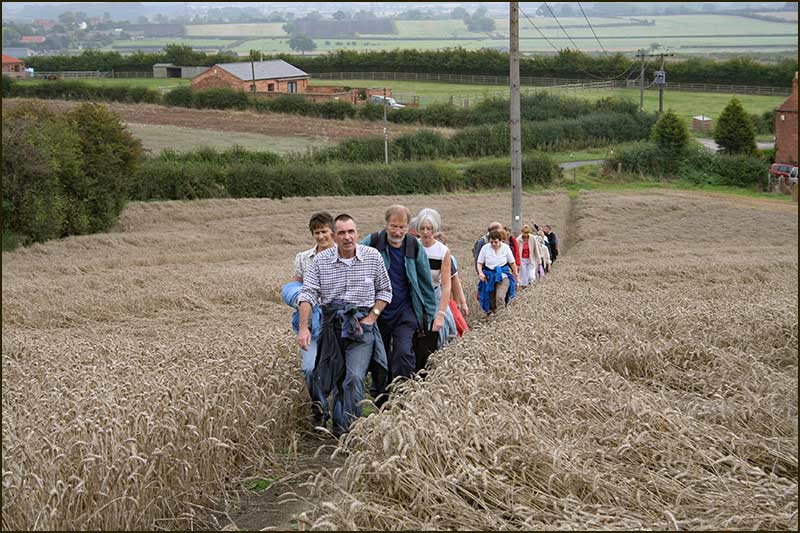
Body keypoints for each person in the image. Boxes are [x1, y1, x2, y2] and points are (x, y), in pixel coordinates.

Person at [297, 214, 392, 438]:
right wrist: (303, 328)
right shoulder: (321, 261)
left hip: (362, 326)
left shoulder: (372, 256)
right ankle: (337, 426)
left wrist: (371, 318)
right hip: (332, 325)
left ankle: (351, 431)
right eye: (341, 233)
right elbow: (308, 294)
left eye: (351, 232)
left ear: (357, 233)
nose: (347, 237)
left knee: (355, 377)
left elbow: (385, 291)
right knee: (334, 377)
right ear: (334, 236)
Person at [362, 205, 440, 396]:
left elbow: (425, 283)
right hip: (377, 311)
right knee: (380, 356)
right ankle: (381, 395)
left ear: (408, 227)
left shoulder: (414, 246)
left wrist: (429, 315)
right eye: (393, 226)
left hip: (405, 310)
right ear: (386, 224)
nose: (397, 232)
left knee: (403, 352)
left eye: (402, 227)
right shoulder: (372, 243)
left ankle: (402, 395)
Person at [284, 212, 335, 429]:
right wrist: (297, 297)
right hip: (310, 321)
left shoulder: (342, 254)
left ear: (332, 231)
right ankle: (320, 408)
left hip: (334, 318)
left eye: (324, 231)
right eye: (317, 232)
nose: (321, 236)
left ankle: (337, 410)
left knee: (333, 367)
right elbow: (297, 285)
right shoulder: (303, 258)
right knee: (309, 368)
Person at [410, 208, 457, 350]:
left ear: (434, 229)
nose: (425, 232)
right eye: (422, 228)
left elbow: (446, 285)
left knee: (439, 333)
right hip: (415, 296)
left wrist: (441, 314)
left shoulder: (442, 251)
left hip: (434, 296)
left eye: (429, 228)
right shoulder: (412, 247)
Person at [435, 231, 470, 336]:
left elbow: (455, 282)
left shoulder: (449, 260)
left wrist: (461, 303)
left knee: (455, 326)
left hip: (448, 301)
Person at [476, 230, 519, 314]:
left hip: (503, 274)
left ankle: (502, 315)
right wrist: (480, 273)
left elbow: (512, 263)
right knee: (490, 298)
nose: (493, 244)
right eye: (491, 242)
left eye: (495, 242)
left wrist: (516, 275)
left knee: (500, 296)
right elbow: (479, 263)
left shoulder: (506, 248)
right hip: (489, 275)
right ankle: (492, 315)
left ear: (500, 240)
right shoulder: (485, 248)